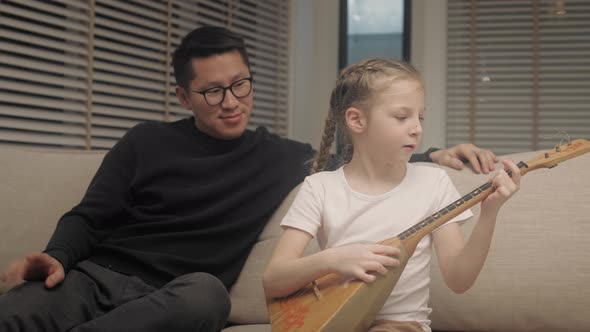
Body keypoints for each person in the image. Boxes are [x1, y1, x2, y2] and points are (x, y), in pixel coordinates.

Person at [0, 26, 497, 332]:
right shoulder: (144, 140)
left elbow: (365, 160)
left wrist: (434, 154)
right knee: (18, 310)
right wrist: (59, 256)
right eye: (213, 91)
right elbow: (89, 216)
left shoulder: (284, 159)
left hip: (179, 296)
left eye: (240, 84)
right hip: (97, 279)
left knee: (207, 296)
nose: (232, 101)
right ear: (183, 96)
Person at [262, 58, 520, 332]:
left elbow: (459, 279)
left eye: (420, 117)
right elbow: (274, 279)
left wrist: (489, 215)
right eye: (401, 117)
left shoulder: (433, 183)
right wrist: (333, 259)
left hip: (401, 325)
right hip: (337, 321)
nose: (417, 128)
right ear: (356, 120)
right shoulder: (319, 188)